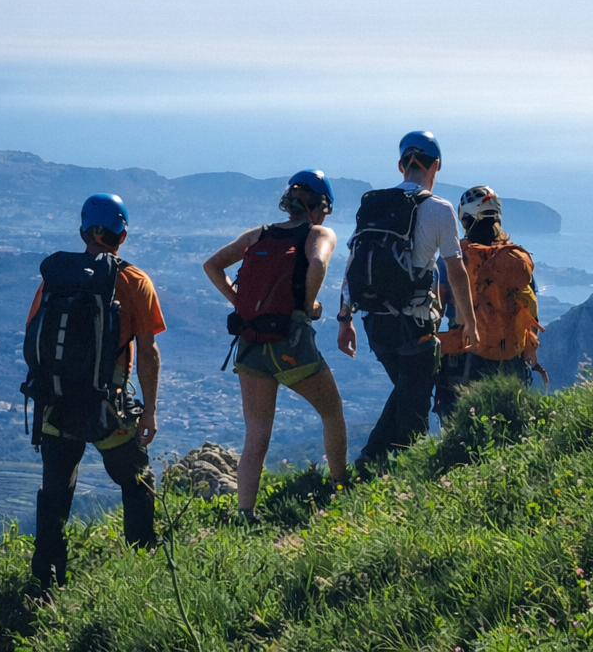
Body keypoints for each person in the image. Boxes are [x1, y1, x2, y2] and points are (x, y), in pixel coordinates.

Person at [27, 193, 165, 590]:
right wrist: (150, 410)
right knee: (136, 480)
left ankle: (46, 581)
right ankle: (143, 567)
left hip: (56, 403)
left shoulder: (57, 278)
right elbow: (149, 352)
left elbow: (33, 334)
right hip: (106, 407)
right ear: (121, 236)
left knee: (55, 491)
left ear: (83, 231)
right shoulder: (134, 280)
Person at [203, 171, 347, 519]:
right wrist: (307, 305)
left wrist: (238, 302)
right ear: (319, 207)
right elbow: (318, 262)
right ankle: (341, 485)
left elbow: (213, 265)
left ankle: (246, 514)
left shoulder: (258, 235)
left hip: (250, 343)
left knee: (256, 433)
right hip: (290, 343)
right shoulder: (319, 233)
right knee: (332, 413)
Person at [338, 131, 478, 472]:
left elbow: (353, 263)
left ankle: (374, 462)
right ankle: (396, 472)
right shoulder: (440, 210)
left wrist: (345, 320)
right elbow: (456, 272)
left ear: (401, 166)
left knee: (406, 391)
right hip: (415, 324)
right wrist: (470, 322)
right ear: (437, 167)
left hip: (374, 323)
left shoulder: (374, 205)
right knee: (414, 403)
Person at [434, 185, 544, 419]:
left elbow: (435, 311)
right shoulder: (516, 260)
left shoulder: (454, 260)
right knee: (509, 425)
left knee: (463, 426)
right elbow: (531, 312)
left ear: (464, 220)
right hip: (512, 359)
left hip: (464, 358)